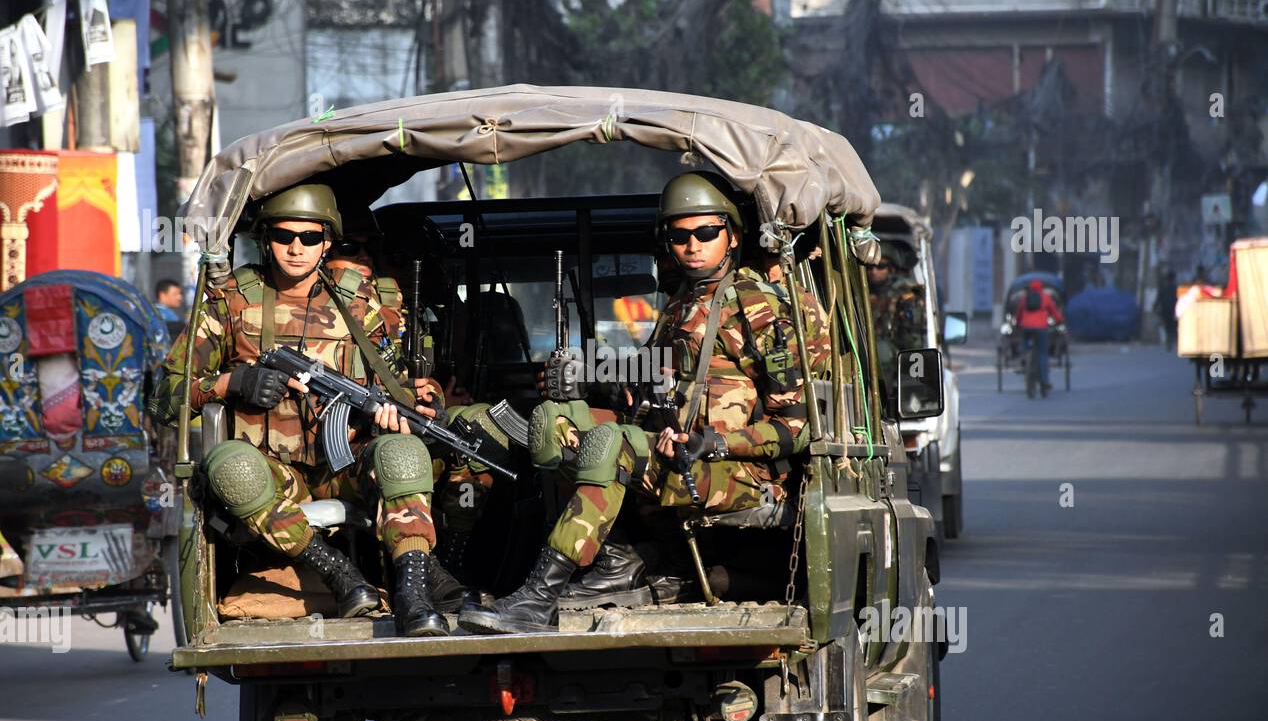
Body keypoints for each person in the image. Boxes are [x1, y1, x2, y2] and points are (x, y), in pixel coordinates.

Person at [458, 171, 828, 634]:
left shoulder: (763, 311)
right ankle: (616, 559)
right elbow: (649, 377)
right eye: (679, 235)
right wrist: (599, 379)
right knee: (554, 420)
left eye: (706, 233)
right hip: (670, 449)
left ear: (731, 236)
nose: (692, 245)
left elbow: (797, 429)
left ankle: (539, 597)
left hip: (739, 472)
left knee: (611, 442)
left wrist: (712, 442)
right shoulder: (680, 304)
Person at [150, 183, 454, 637]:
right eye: (283, 236)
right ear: (264, 238)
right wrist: (234, 382)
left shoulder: (359, 301)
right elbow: (164, 394)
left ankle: (413, 594)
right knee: (227, 465)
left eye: (310, 238)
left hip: (345, 466)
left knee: (401, 451)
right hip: (274, 476)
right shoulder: (230, 299)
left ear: (327, 241)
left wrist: (405, 410)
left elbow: (401, 385)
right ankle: (337, 572)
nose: (296, 248)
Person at [867, 239, 927, 412]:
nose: (874, 272)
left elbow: (913, 342)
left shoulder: (905, 296)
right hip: (865, 357)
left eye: (881, 266)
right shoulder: (857, 292)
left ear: (891, 268)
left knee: (882, 350)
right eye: (870, 267)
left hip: (894, 360)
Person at [1014, 279, 1064, 398]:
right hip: (1041, 328)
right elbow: (1054, 312)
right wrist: (1060, 321)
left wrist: (1017, 324)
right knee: (1042, 354)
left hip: (1026, 326)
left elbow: (1018, 313)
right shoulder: (1045, 297)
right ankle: (1045, 381)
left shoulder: (1025, 298)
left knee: (1025, 345)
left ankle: (1025, 358)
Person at [1155, 268, 1178, 351]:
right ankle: (1173, 342)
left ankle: (1169, 342)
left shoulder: (1164, 288)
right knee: (1173, 327)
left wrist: (1155, 307)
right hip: (1173, 310)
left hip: (1165, 310)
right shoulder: (1176, 288)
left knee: (1167, 327)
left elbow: (1159, 298)